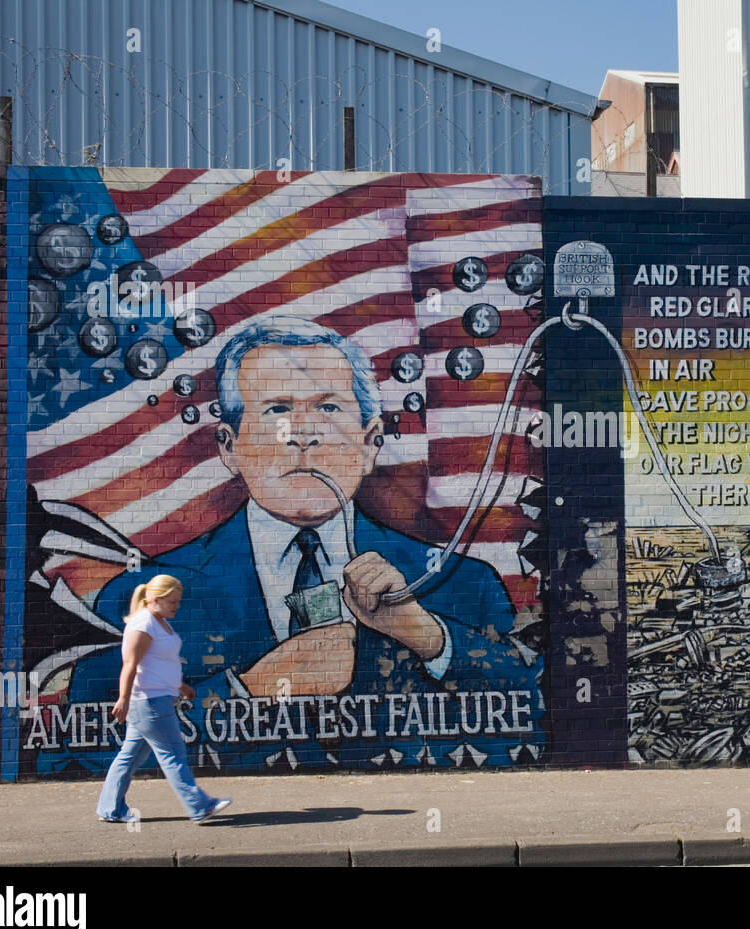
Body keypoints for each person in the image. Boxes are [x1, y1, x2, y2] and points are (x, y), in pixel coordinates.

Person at [48, 316, 544, 774]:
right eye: (276, 409)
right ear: (229, 447)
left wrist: (428, 637)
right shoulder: (147, 595)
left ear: (370, 442)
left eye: (328, 408)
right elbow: (91, 743)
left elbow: (538, 718)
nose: (301, 435)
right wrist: (252, 690)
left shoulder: (461, 583)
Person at [95, 574, 232, 823]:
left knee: (130, 756)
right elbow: (130, 664)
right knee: (173, 754)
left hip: (153, 699)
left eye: (178, 601)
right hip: (149, 702)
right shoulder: (143, 624)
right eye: (173, 602)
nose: (177, 606)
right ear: (155, 600)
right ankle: (199, 806)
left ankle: (110, 809)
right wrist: (123, 698)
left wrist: (181, 686)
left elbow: (158, 664)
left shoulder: (157, 621)